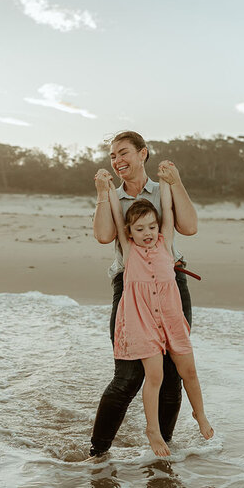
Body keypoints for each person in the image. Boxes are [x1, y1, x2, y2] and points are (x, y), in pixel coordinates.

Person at [90, 131, 198, 457]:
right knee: (127, 375)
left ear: (143, 154)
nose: (118, 160)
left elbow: (189, 226)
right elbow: (103, 235)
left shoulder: (163, 188)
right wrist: (100, 194)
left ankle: (161, 449)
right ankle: (98, 454)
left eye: (123, 153)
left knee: (171, 375)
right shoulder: (113, 195)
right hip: (129, 286)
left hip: (170, 283)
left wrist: (177, 182)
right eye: (112, 156)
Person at [101, 178, 213, 456]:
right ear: (129, 232)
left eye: (151, 226)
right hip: (143, 323)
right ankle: (152, 430)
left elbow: (168, 211)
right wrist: (105, 188)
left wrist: (165, 181)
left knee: (189, 371)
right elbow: (116, 215)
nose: (148, 232)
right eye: (140, 229)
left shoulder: (165, 244)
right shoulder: (129, 252)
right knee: (155, 376)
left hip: (171, 318)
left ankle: (200, 415)